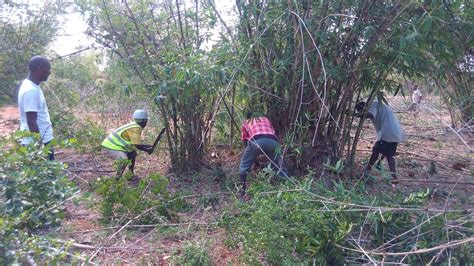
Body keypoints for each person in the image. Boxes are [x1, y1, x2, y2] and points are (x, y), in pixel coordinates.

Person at [239, 110, 285, 199]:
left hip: (257, 142)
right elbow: (270, 133)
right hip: (273, 142)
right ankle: (284, 189)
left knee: (243, 168)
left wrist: (251, 157)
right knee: (278, 167)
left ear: (248, 117)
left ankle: (242, 195)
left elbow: (245, 141)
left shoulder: (246, 122)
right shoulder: (266, 119)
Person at [355, 100, 405, 181]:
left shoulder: (372, 104)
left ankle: (367, 170)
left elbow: (370, 115)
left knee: (376, 150)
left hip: (388, 131)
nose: (363, 112)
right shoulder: (378, 104)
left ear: (364, 107)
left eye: (362, 111)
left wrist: (356, 115)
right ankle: (394, 178)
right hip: (395, 131)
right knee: (389, 155)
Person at [18, 55, 55, 160]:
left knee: (50, 173)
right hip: (36, 142)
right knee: (48, 174)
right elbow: (31, 122)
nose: (49, 72)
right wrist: (39, 147)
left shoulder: (33, 86)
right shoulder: (30, 90)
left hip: (42, 139)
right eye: (48, 68)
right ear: (40, 68)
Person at [101, 109, 154, 179]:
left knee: (132, 154)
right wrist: (147, 150)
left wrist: (146, 146)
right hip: (110, 147)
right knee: (124, 160)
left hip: (115, 146)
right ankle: (117, 180)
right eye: (146, 121)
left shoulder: (134, 125)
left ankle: (130, 175)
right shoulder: (135, 128)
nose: (146, 124)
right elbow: (137, 145)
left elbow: (135, 143)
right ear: (144, 121)